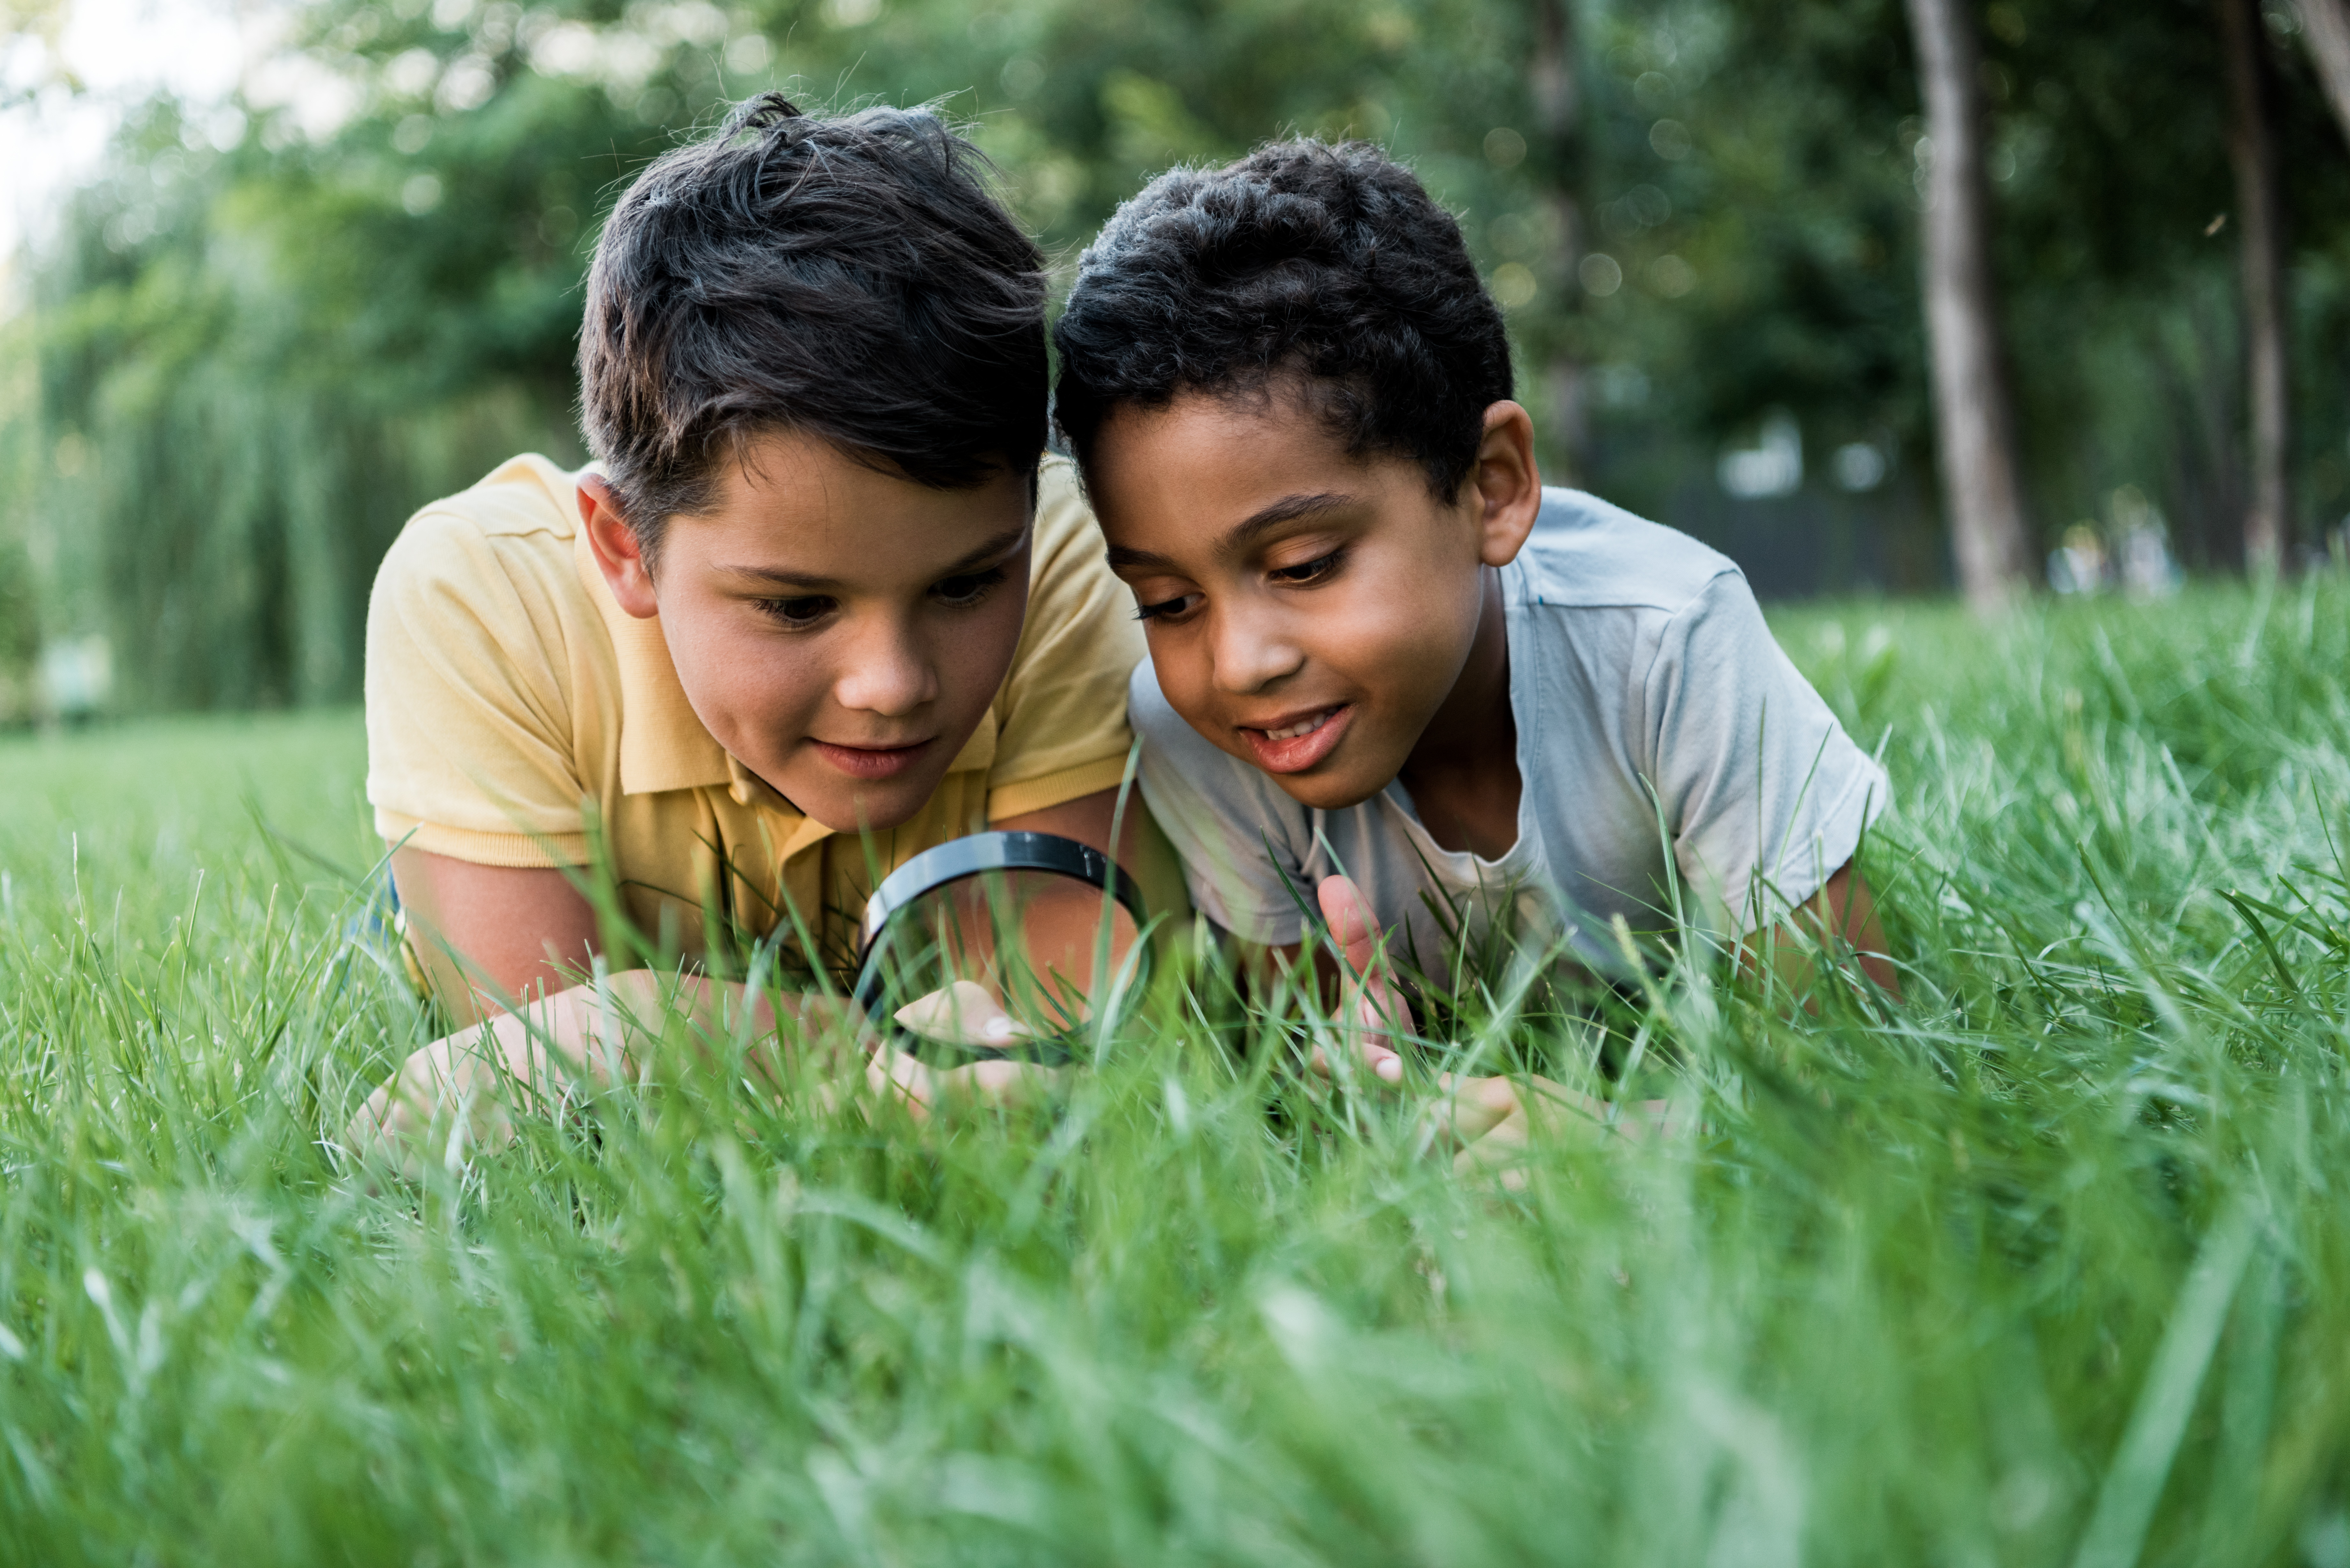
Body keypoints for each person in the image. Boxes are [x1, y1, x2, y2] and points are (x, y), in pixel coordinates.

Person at [346, 96, 1172, 1165]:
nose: (892, 684)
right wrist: (873, 1056)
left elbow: (1066, 1037)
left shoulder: (1061, 547)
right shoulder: (479, 595)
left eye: (966, 586)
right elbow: (526, 1079)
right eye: (796, 606)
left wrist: (646, 1022)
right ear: (623, 548)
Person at [1050, 138, 1897, 1102]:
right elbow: (1316, 1067)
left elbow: (1857, 1073)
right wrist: (1361, 1088)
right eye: (1168, 603)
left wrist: (1622, 1141)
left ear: (1492, 487)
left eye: (1304, 566)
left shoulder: (1667, 640)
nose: (1239, 663)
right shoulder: (1194, 733)